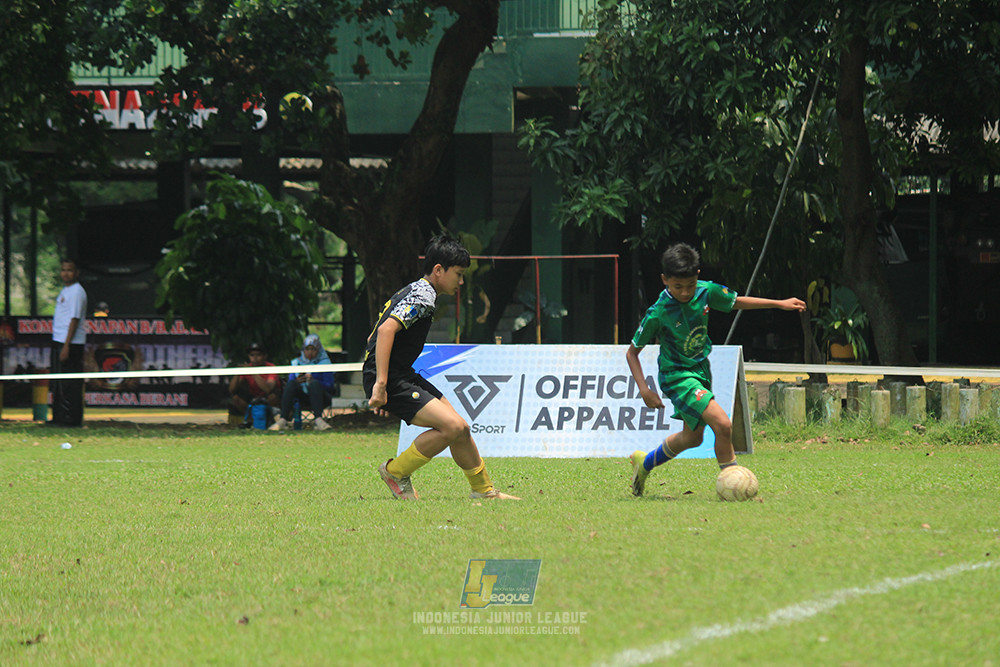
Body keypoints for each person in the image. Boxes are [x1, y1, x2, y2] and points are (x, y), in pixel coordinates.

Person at [626, 242, 805, 495]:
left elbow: (736, 302)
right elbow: (632, 352)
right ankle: (731, 483)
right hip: (676, 376)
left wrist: (778, 303)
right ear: (665, 280)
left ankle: (643, 464)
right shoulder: (658, 313)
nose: (685, 292)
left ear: (697, 277)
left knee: (692, 438)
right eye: (678, 287)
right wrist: (644, 390)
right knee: (723, 424)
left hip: (700, 371)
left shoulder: (706, 291)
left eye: (689, 285)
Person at [365, 233, 519, 501]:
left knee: (461, 427)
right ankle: (395, 472)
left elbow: (373, 335)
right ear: (438, 270)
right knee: (452, 427)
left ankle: (484, 492)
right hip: (391, 378)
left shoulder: (414, 290)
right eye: (458, 274)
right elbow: (387, 330)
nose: (461, 282)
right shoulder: (423, 296)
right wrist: (380, 383)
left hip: (400, 373)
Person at [49, 258, 88, 426]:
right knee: (59, 382)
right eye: (63, 269)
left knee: (70, 383)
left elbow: (74, 319)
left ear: (77, 273)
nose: (66, 273)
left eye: (70, 270)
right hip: (59, 340)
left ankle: (71, 419)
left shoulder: (77, 292)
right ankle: (58, 417)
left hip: (70, 343)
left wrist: (66, 346)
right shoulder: (66, 290)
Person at [270, 334, 336, 431]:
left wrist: (314, 380)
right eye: (307, 349)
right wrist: (298, 381)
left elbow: (330, 386)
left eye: (313, 349)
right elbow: (289, 383)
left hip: (320, 397)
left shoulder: (325, 363)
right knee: (292, 384)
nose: (310, 352)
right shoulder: (296, 363)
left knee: (314, 385)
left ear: (319, 350)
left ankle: (319, 420)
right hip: (301, 397)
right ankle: (283, 419)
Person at [228, 342, 281, 425]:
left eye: (258, 355)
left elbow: (268, 389)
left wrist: (253, 372)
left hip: (267, 398)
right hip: (253, 397)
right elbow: (232, 390)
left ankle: (268, 417)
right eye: (252, 355)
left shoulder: (270, 367)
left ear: (264, 356)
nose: (255, 358)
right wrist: (238, 372)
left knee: (273, 396)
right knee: (236, 398)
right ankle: (250, 419)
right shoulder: (247, 368)